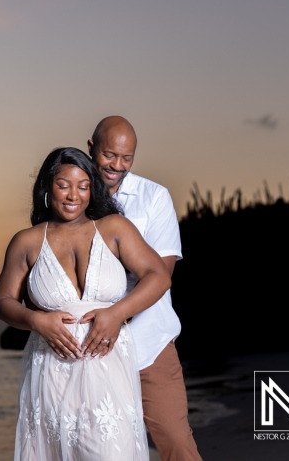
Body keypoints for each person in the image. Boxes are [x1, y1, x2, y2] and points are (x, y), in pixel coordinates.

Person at [0, 147, 172, 460]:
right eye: (64, 185)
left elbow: (158, 276)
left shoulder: (115, 228)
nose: (73, 195)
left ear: (93, 189)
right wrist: (36, 320)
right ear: (48, 188)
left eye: (83, 186)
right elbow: (4, 301)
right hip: (50, 367)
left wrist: (117, 315)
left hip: (107, 365)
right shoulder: (27, 241)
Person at [87, 116, 201, 460]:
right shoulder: (73, 197)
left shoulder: (154, 198)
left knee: (176, 443)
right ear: (91, 148)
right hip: (93, 350)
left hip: (149, 342)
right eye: (109, 155)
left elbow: (161, 275)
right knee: (101, 448)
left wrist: (115, 315)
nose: (117, 166)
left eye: (127, 158)